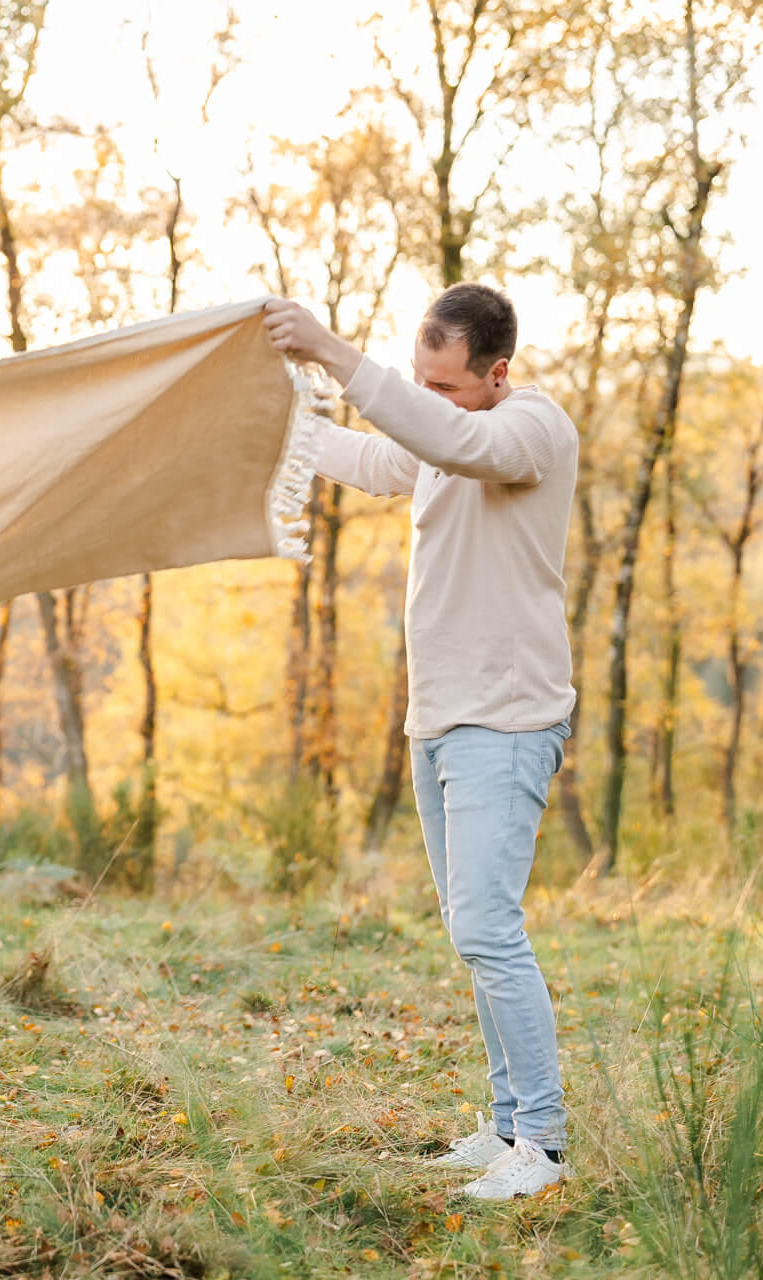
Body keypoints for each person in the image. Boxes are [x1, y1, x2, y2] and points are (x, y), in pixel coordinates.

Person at [262, 284, 577, 1201]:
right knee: (471, 932)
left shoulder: (530, 431)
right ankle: (508, 1125)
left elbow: (445, 439)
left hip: (505, 722)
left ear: (498, 373)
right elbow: (375, 457)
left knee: (487, 928)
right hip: (438, 720)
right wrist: (273, 422)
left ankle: (544, 1146)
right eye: (420, 380)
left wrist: (332, 350)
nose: (429, 399)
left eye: (444, 385)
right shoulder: (449, 432)